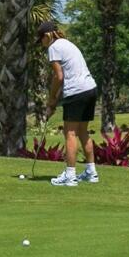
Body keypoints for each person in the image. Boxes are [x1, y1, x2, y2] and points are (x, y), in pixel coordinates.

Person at [38, 19, 99, 187]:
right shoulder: (67, 44)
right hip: (90, 88)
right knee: (83, 132)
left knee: (70, 133)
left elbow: (59, 77)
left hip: (76, 91)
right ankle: (91, 172)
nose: (41, 43)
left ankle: (70, 176)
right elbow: (64, 78)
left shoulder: (53, 47)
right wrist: (54, 102)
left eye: (41, 39)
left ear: (47, 36)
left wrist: (51, 100)